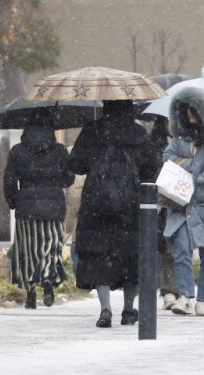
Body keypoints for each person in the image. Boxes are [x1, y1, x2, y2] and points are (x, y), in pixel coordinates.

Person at [69, 100, 159, 327]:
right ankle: (129, 309)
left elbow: (76, 165)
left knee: (98, 254)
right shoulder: (139, 133)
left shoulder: (93, 130)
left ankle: (105, 309)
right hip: (131, 205)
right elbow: (152, 168)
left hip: (96, 204)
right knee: (130, 256)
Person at [163, 87, 204, 316]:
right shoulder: (180, 137)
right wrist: (193, 168)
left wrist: (196, 177)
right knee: (181, 249)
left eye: (195, 113)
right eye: (187, 113)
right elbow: (167, 158)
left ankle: (203, 299)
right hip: (181, 203)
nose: (191, 118)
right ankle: (185, 296)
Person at [4, 111, 74, 309]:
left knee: (28, 251)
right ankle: (47, 279)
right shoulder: (60, 151)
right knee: (51, 248)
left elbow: (9, 180)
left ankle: (31, 292)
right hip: (53, 207)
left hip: (26, 208)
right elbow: (68, 179)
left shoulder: (17, 151)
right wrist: (56, 179)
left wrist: (13, 201)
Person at [150, 116, 181, 310]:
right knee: (164, 247)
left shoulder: (187, 143)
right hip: (160, 202)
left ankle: (176, 289)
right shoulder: (154, 145)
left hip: (179, 200)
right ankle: (168, 290)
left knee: (178, 248)